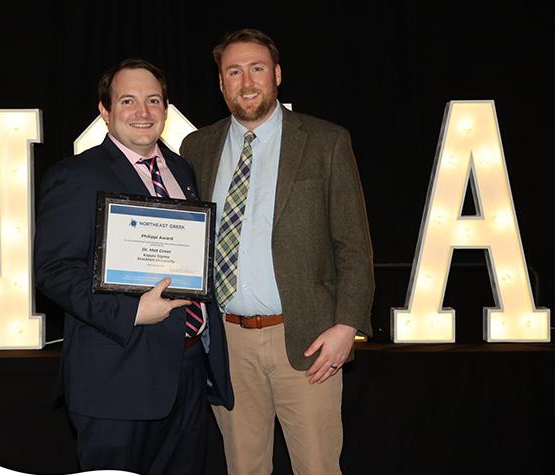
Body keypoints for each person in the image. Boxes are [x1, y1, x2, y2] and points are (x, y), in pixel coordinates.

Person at [179, 29, 374, 474]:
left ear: (277, 75)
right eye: (234, 71)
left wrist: (348, 326)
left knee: (318, 468)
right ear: (221, 84)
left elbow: (354, 245)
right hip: (226, 344)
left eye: (257, 68)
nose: (246, 82)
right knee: (243, 468)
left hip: (307, 341)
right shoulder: (197, 148)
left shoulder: (326, 142)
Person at [34, 58, 233, 475]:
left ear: (165, 109)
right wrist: (133, 311)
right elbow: (54, 270)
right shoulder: (76, 175)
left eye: (153, 100)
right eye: (128, 101)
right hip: (117, 377)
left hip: (189, 369)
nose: (142, 112)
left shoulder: (181, 170)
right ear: (105, 111)